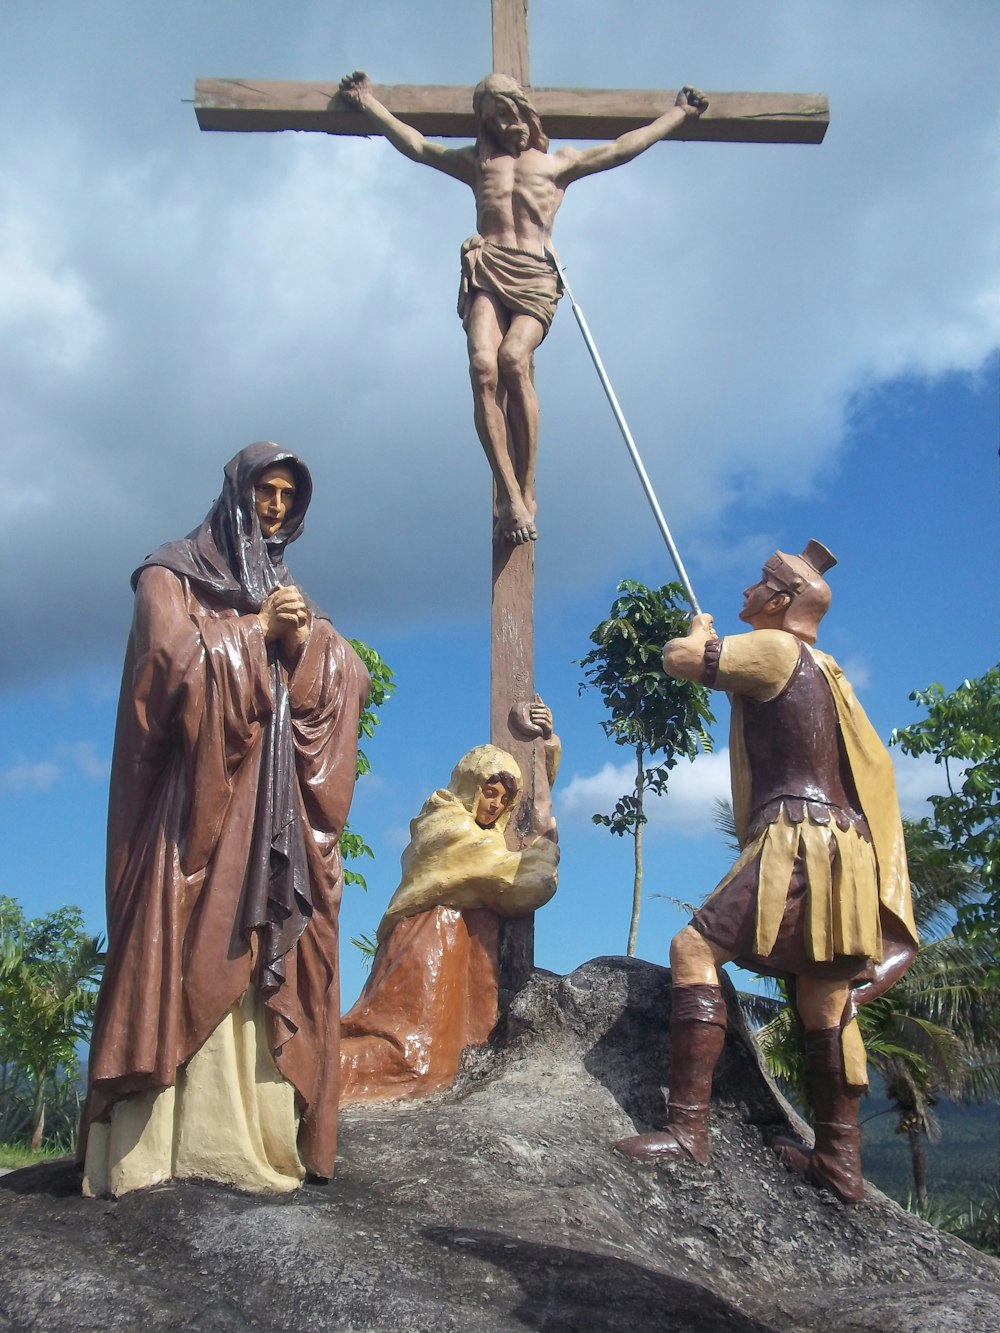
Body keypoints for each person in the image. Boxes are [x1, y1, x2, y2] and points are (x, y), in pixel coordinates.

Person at [81, 443, 370, 1196]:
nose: (275, 507)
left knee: (264, 954)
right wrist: (253, 635)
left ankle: (258, 1136)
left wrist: (305, 643)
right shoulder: (168, 575)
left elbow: (348, 675)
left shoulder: (289, 590)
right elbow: (169, 669)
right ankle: (161, 1143)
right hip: (195, 825)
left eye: (287, 496)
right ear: (237, 491)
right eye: (265, 491)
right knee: (186, 952)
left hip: (271, 820)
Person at [615, 541, 918, 1203]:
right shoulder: (831, 669)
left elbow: (683, 660)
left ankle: (688, 1132)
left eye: (760, 582)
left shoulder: (778, 649)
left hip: (797, 840)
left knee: (693, 947)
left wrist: (698, 634)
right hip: (848, 852)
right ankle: (839, 1161)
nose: (748, 590)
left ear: (783, 600)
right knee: (822, 998)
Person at [338, 70, 707, 545]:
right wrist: (368, 103)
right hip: (487, 266)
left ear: (522, 111)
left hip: (535, 273)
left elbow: (621, 147)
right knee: (482, 366)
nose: (502, 122)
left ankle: (528, 487)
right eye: (491, 116)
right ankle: (509, 494)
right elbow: (418, 146)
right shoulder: (478, 163)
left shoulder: (558, 164)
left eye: (506, 112)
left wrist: (677, 115)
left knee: (515, 359)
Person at [340, 702, 560, 1102]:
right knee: (408, 1055)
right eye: (488, 793)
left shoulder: (484, 837)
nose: (493, 806)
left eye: (502, 801)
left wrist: (545, 753)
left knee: (436, 1064)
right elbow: (525, 880)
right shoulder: (448, 826)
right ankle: (307, 1074)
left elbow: (518, 851)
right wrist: (547, 840)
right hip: (427, 942)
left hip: (455, 943)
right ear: (470, 786)